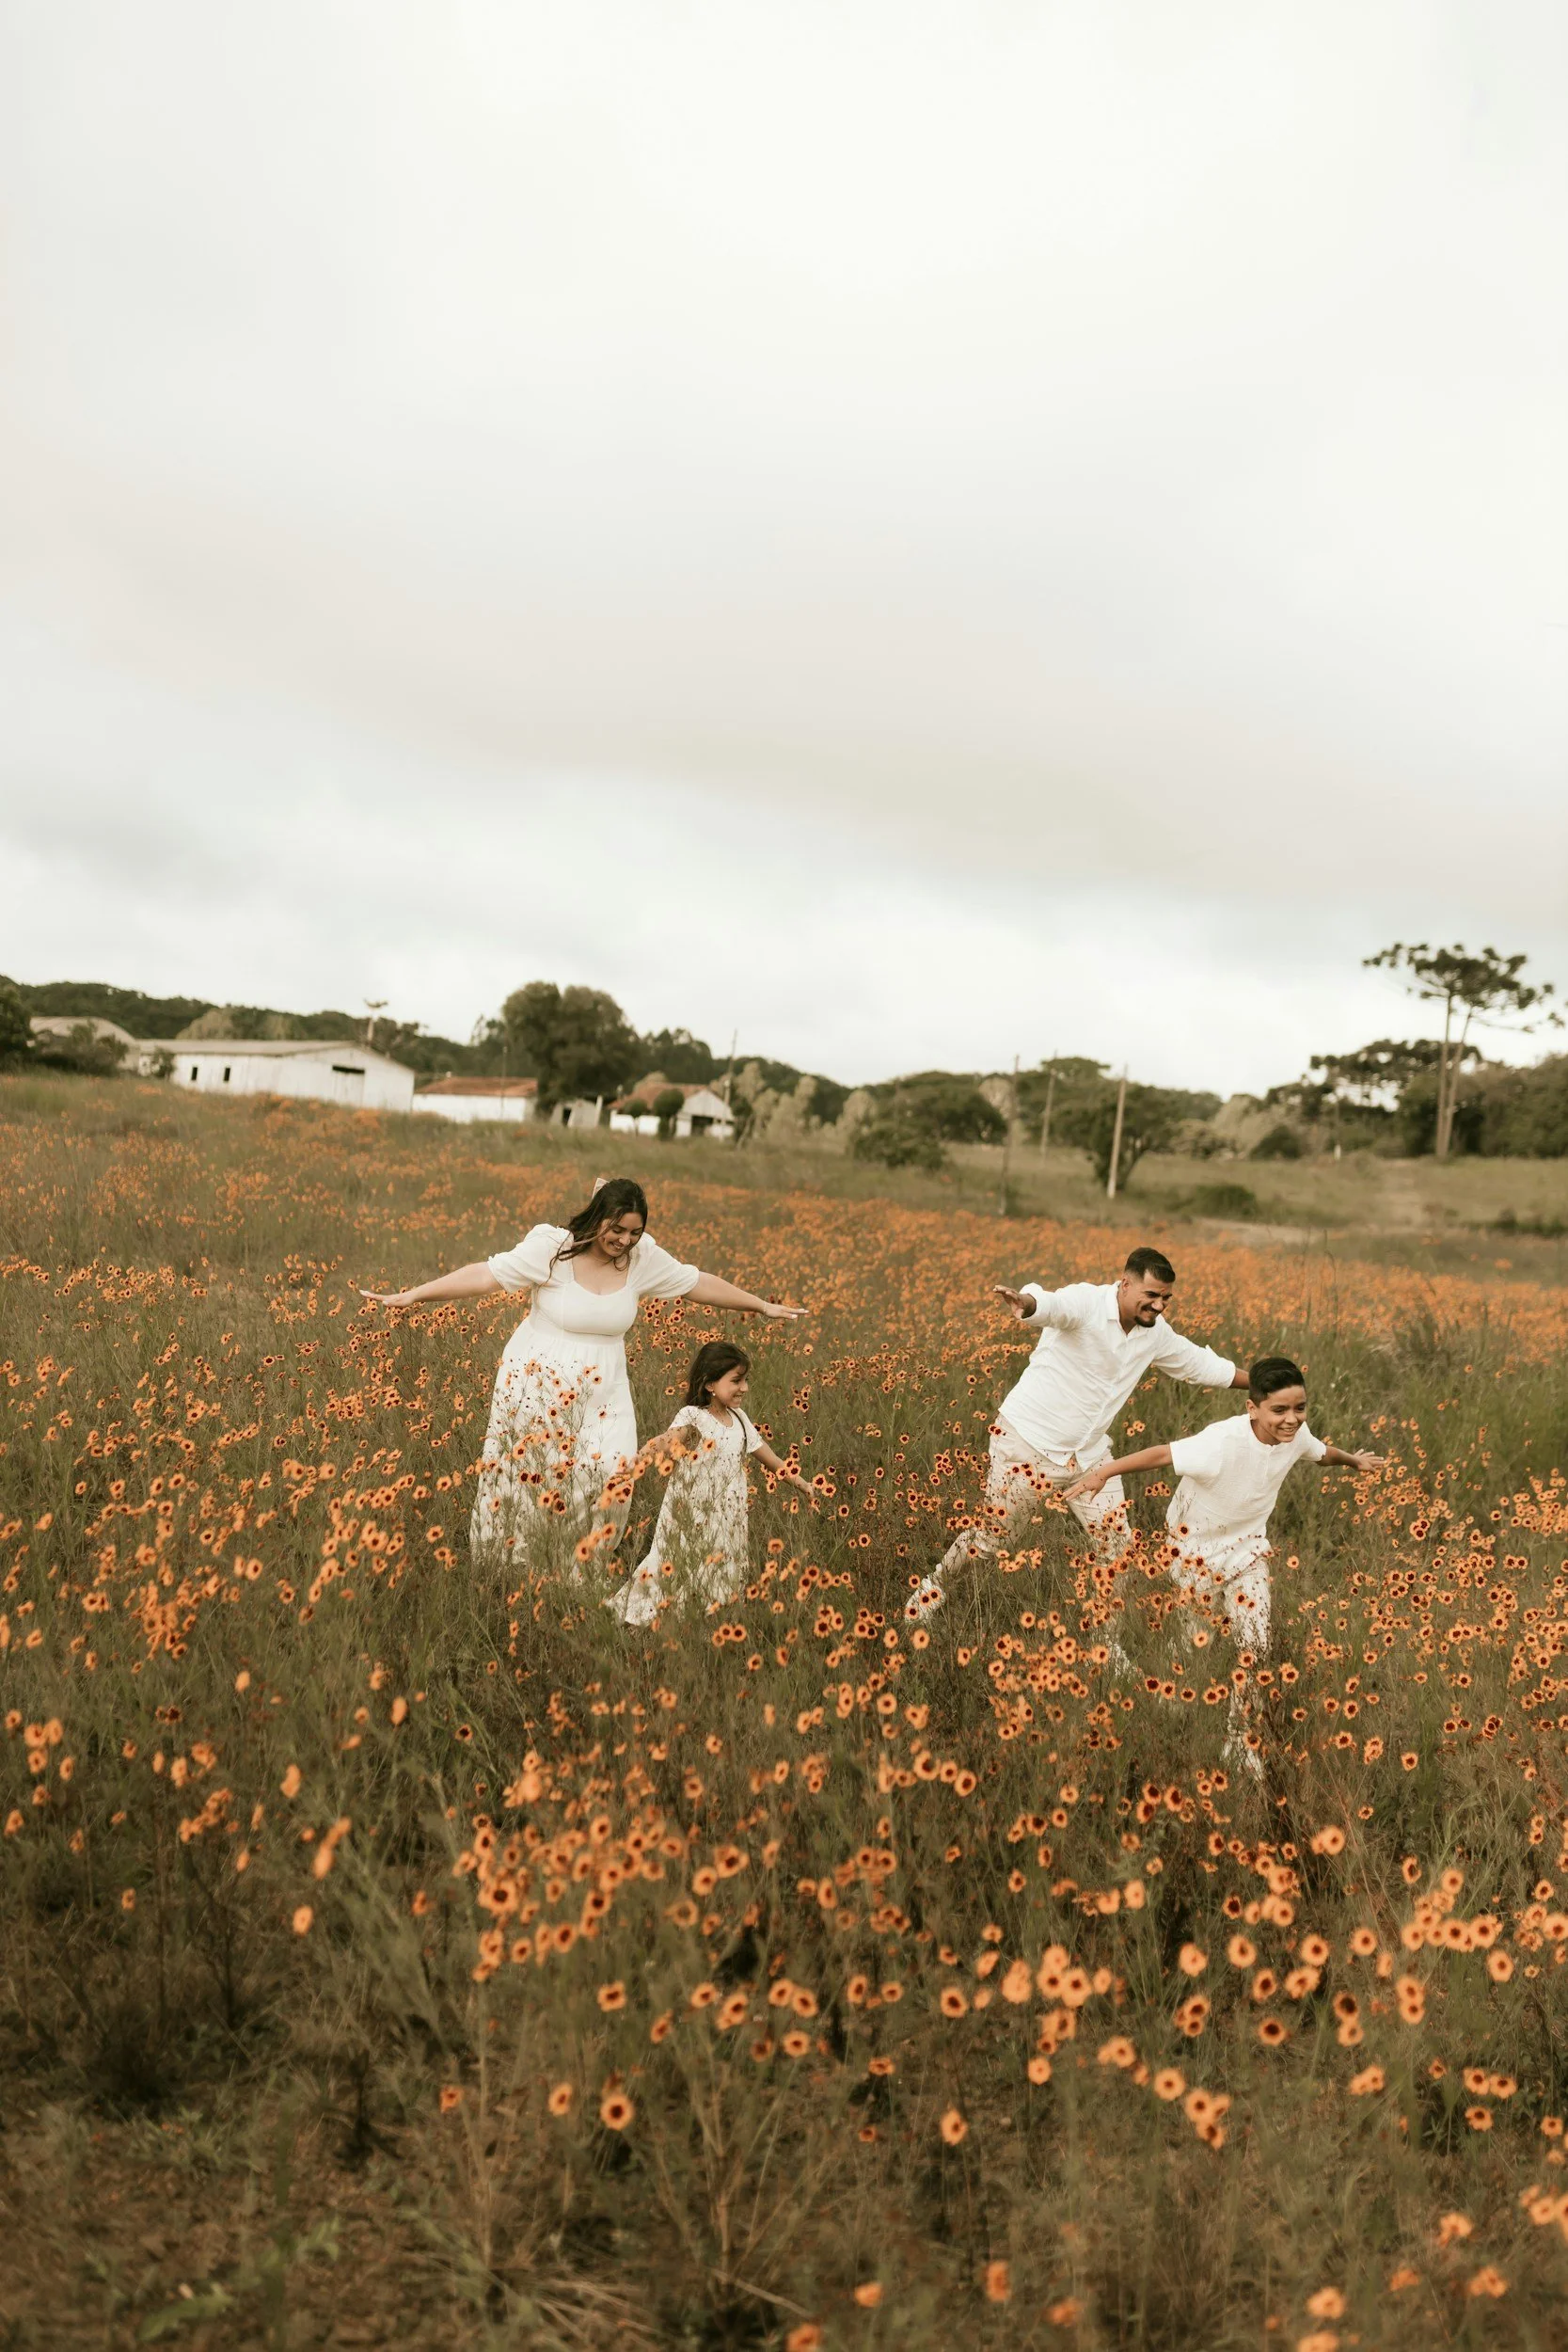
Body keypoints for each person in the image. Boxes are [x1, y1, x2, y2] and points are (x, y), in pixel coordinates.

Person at [360, 1177, 804, 1564]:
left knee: (612, 1471)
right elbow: (484, 1275)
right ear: (597, 1218)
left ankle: (576, 1564)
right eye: (617, 1229)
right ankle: (512, 1562)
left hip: (606, 1386)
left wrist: (759, 1304)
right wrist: (414, 1295)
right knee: (532, 1472)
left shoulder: (642, 1259)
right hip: (538, 1378)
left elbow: (696, 1282)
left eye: (635, 1231)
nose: (625, 1241)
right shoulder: (553, 1250)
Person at [1064, 1355, 1384, 1768]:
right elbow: (1161, 1454)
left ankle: (1240, 1739)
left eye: (1300, 1408)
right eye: (1280, 1410)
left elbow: (1321, 1453)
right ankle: (1162, 1702)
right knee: (1195, 1644)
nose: (1292, 1419)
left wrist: (1353, 1461)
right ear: (1252, 1408)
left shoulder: (1296, 1437)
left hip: (1249, 1552)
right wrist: (1104, 1472)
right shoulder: (1221, 1442)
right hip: (1194, 1553)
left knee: (1256, 1645)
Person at [906, 1245, 1243, 1621]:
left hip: (1089, 1458)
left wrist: (1263, 1387)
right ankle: (928, 1593)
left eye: (1166, 1298)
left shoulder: (1155, 1333)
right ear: (1125, 1284)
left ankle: (1108, 1646)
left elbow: (1199, 1365)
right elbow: (1050, 1305)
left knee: (1119, 1553)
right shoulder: (1087, 1303)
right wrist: (1027, 1302)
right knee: (991, 1541)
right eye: (1151, 1296)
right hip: (1028, 1445)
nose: (1159, 1306)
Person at [608, 1341, 815, 1624]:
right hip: (691, 1514)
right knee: (676, 1565)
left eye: (745, 1381)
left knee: (719, 1569)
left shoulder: (739, 1419)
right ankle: (639, 1620)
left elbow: (770, 1458)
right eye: (736, 1381)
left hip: (728, 1517)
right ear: (709, 1385)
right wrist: (637, 1462)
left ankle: (699, 1622)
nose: (744, 1388)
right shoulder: (695, 1417)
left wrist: (801, 1483)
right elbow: (667, 1442)